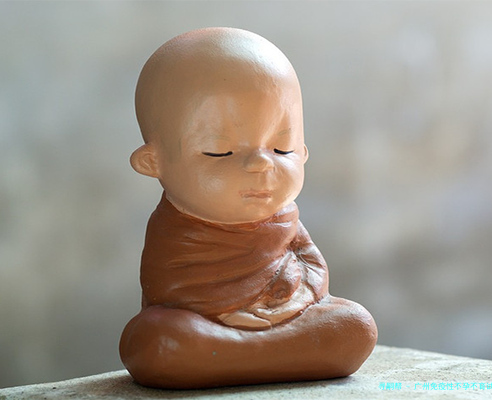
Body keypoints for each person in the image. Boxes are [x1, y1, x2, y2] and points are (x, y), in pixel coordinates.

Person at [120, 27, 377, 389]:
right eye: (220, 151)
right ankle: (271, 352)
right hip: (209, 323)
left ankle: (234, 354)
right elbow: (174, 288)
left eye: (282, 148)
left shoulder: (285, 218)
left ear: (303, 151)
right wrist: (235, 315)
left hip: (284, 315)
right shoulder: (173, 230)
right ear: (152, 161)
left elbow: (310, 265)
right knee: (155, 339)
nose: (261, 163)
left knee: (354, 323)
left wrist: (291, 298)